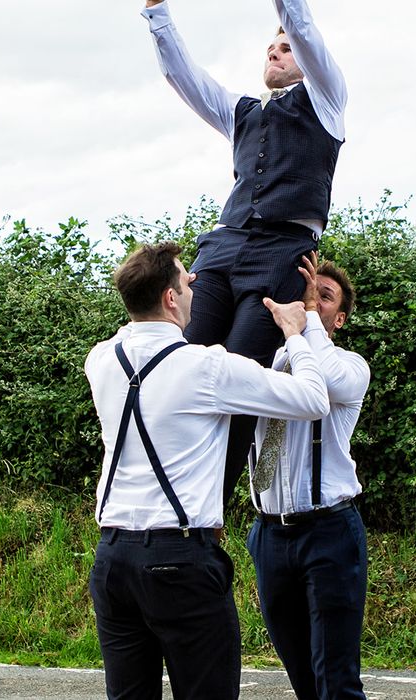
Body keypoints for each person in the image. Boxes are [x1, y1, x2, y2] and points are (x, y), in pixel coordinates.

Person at [84, 241, 330, 700]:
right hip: (180, 562)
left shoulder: (100, 360)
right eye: (185, 278)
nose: (195, 283)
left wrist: (156, 284)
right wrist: (297, 334)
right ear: (170, 298)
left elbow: (132, 325)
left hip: (112, 560)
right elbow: (314, 400)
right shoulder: (207, 368)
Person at [141, 0, 348, 505]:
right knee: (178, 361)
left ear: (304, 58)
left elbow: (301, 25)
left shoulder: (326, 99)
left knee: (239, 376)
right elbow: (181, 75)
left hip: (281, 249)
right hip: (224, 244)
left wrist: (292, 24)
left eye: (286, 49)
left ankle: (205, 508)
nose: (276, 53)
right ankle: (158, 489)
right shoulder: (242, 112)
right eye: (270, 49)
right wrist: (156, 10)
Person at [247, 252, 370, 700]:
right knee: (301, 675)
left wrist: (306, 324)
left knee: (335, 678)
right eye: (307, 291)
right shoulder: (266, 363)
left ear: (338, 319)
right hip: (269, 535)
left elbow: (328, 381)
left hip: (329, 531)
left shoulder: (351, 367)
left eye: (325, 295)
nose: (311, 298)